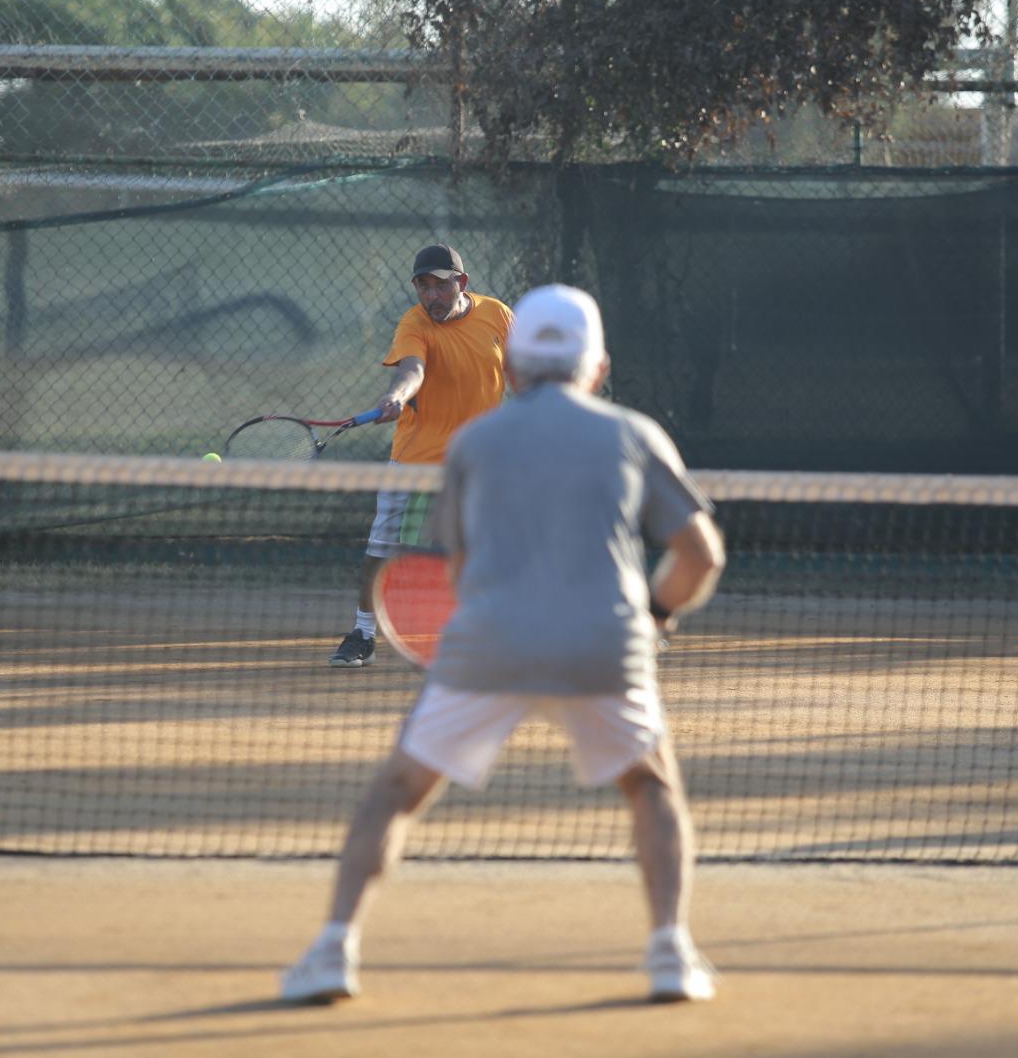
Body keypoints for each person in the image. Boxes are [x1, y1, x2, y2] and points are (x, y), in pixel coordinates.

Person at [283, 284, 727, 1004]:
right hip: (604, 644)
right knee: (652, 787)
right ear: (600, 367)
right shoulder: (634, 434)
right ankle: (671, 952)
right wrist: (652, 616)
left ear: (511, 370)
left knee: (396, 792)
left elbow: (455, 567)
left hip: (488, 641)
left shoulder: (473, 444)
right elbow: (701, 556)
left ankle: (334, 949)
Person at [329, 243, 513, 668]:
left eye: (440, 286)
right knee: (382, 547)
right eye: (422, 287)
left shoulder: (498, 315)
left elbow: (521, 372)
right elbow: (413, 370)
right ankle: (363, 633)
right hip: (416, 460)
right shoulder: (414, 323)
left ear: (461, 283)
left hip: (480, 462)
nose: (431, 296)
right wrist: (396, 396)